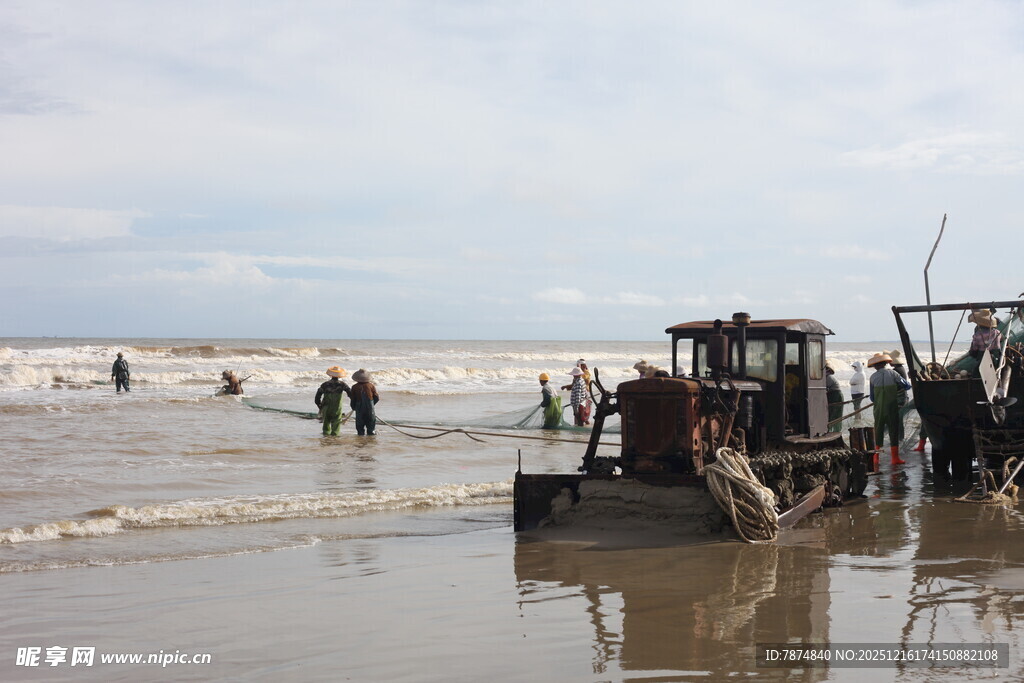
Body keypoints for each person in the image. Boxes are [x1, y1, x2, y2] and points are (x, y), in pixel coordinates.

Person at [868, 352, 911, 466]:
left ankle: (876, 458)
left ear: (875, 366)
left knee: (878, 431)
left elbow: (872, 398)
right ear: (885, 363)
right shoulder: (893, 374)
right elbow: (907, 386)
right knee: (893, 431)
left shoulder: (872, 377)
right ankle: (895, 458)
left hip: (878, 410)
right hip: (892, 407)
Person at [315, 366, 351, 436]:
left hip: (326, 407)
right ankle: (335, 438)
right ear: (339, 375)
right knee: (336, 424)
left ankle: (326, 437)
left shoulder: (325, 384)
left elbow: (317, 397)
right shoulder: (342, 384)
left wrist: (320, 406)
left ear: (331, 375)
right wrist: (354, 403)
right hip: (337, 407)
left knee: (326, 423)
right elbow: (350, 393)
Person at [349, 369, 380, 436]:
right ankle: (370, 437)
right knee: (371, 424)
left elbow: (353, 399)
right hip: (369, 408)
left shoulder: (354, 387)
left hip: (359, 408)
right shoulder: (371, 385)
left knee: (360, 426)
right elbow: (376, 398)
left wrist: (354, 407)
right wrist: (372, 404)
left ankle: (361, 437)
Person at [825, 360, 844, 433]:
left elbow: (825, 388)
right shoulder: (826, 377)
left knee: (835, 413)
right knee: (831, 413)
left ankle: (834, 431)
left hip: (836, 396)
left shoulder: (829, 378)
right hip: (832, 395)